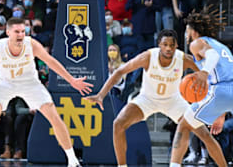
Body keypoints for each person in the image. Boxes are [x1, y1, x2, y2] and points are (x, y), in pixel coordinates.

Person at [0, 17, 93, 167]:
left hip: (29, 83)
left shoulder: (31, 44)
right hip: (4, 84)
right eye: (17, 32)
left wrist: (71, 80)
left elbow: (51, 62)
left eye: (23, 31)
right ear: (8, 32)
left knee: (54, 116)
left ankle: (72, 160)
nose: (21, 34)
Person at [84, 29, 199, 166]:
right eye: (165, 44)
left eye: (171, 45)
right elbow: (120, 71)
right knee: (118, 124)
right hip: (147, 99)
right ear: (159, 45)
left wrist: (212, 102)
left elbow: (208, 73)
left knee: (200, 130)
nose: (168, 48)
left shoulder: (184, 59)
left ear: (176, 46)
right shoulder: (148, 56)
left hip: (173, 100)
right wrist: (100, 95)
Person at [169, 7, 231, 166]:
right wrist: (221, 112)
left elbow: (212, 57)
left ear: (193, 31)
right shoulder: (221, 46)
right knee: (203, 134)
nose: (186, 34)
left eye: (187, 30)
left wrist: (204, 73)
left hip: (220, 91)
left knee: (183, 125)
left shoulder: (197, 43)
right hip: (227, 92)